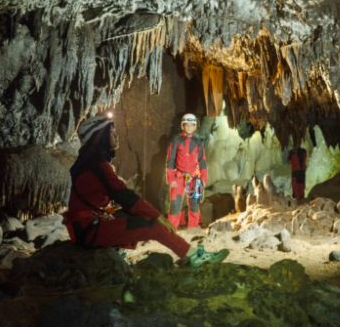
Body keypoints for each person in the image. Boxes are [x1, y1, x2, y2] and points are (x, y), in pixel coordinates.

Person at [65, 115, 228, 269]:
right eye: (111, 131)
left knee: (134, 215)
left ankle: (117, 255)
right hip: (90, 231)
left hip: (89, 225)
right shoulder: (96, 164)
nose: (116, 135)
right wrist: (157, 216)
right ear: (98, 137)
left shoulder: (90, 162)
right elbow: (123, 195)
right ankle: (194, 256)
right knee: (153, 225)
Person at [166, 113, 208, 229]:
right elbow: (170, 161)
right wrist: (171, 179)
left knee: (194, 204)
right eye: (187, 125)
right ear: (182, 126)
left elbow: (202, 162)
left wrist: (204, 179)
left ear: (195, 127)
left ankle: (193, 229)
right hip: (178, 177)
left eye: (191, 125)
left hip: (193, 178)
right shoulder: (176, 141)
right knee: (175, 204)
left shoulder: (198, 143)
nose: (189, 127)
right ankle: (171, 230)